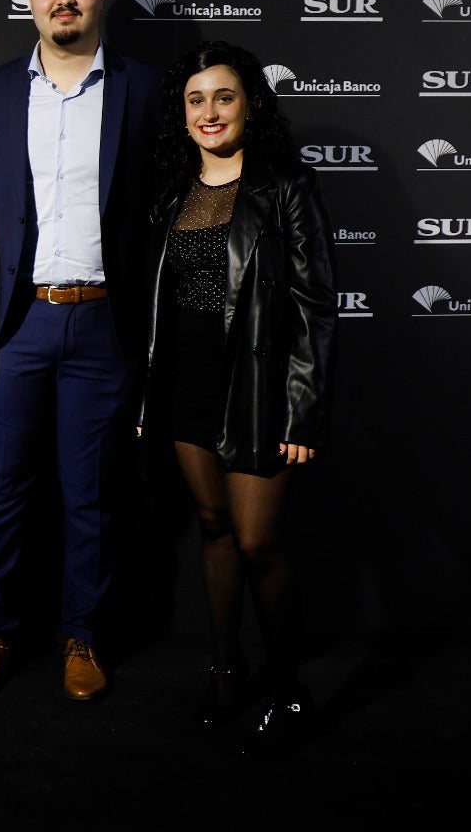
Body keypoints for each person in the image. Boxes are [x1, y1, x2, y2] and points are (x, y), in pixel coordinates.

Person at [0, 0, 162, 702]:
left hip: (104, 324)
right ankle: (2, 631)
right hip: (17, 322)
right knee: (3, 486)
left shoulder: (145, 88)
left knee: (91, 491)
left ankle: (83, 634)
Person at [138, 40, 336, 756]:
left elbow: (316, 304)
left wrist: (302, 407)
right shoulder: (169, 191)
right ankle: (226, 669)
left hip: (256, 389)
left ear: (250, 103)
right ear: (182, 113)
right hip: (186, 389)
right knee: (214, 526)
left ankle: (287, 689)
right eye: (196, 99)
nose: (209, 111)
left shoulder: (286, 186)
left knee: (258, 542)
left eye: (223, 96)